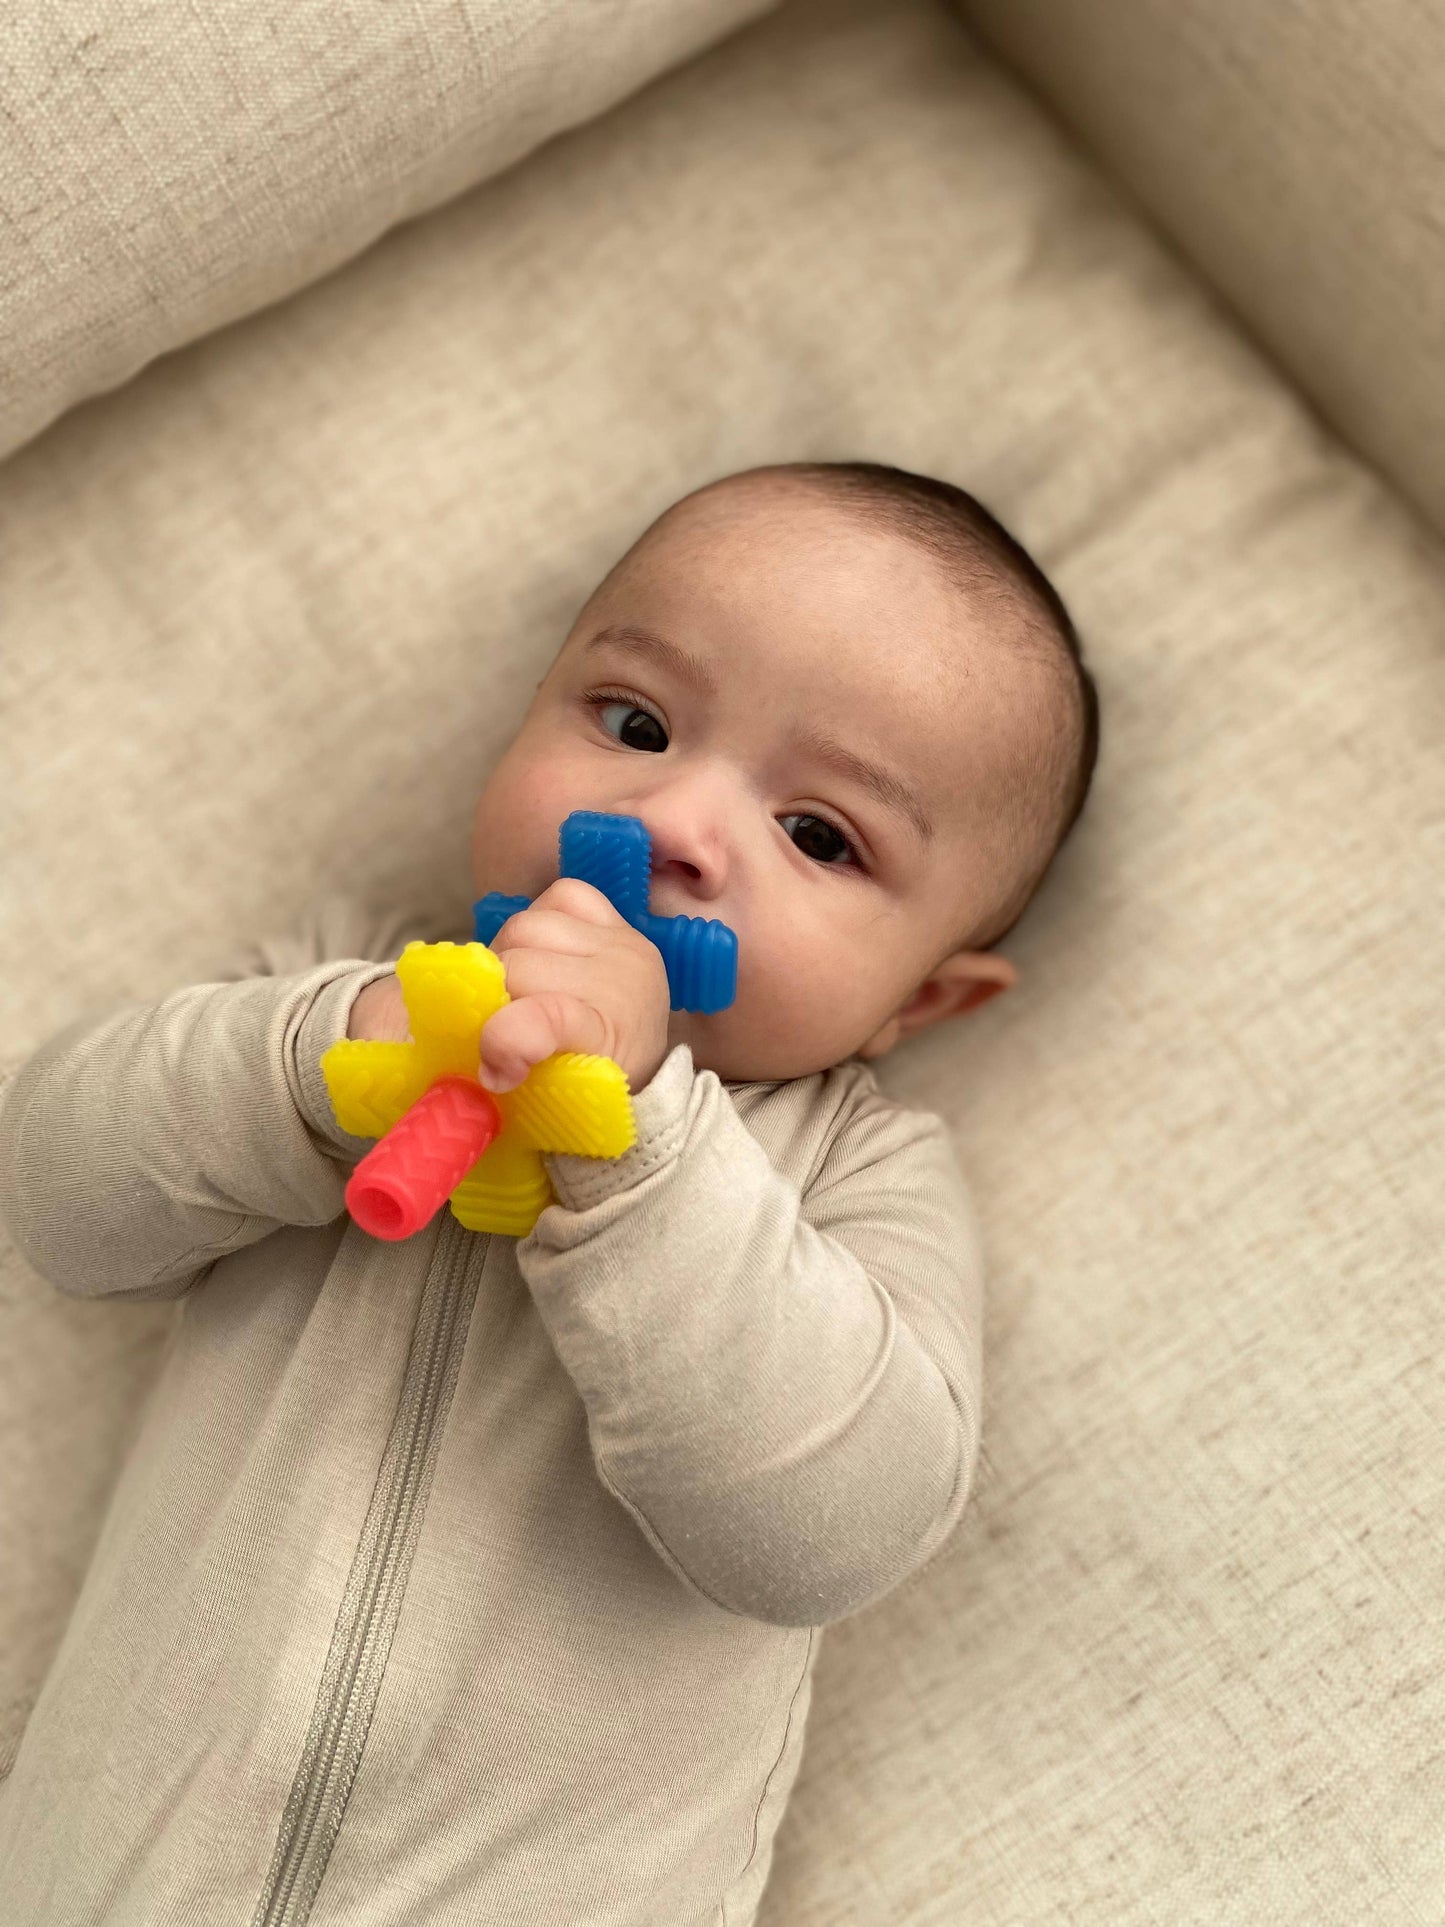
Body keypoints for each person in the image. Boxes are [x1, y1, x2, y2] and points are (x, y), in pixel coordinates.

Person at [0, 461, 1100, 1925]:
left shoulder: (854, 1177)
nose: (673, 822)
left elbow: (828, 1533)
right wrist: (324, 1066)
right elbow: (61, 1204)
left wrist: (634, 1142)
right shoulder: (348, 991)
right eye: (635, 724)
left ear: (926, 1000)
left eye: (819, 834)